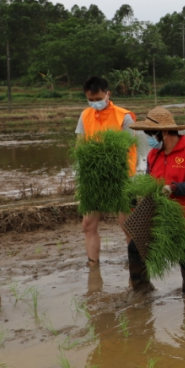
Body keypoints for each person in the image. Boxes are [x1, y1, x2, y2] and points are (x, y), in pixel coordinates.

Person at [129, 107, 185, 294]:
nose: (148, 139)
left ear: (163, 132)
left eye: (150, 134)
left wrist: (173, 188)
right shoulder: (153, 155)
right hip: (159, 216)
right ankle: (142, 291)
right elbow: (149, 181)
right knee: (135, 248)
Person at [76, 75, 137, 266]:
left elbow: (128, 147)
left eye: (98, 99)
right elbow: (80, 146)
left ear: (107, 94)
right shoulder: (85, 115)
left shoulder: (124, 116)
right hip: (93, 178)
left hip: (122, 177)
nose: (95, 103)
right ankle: (93, 266)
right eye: (91, 100)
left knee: (127, 225)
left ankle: (136, 264)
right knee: (88, 224)